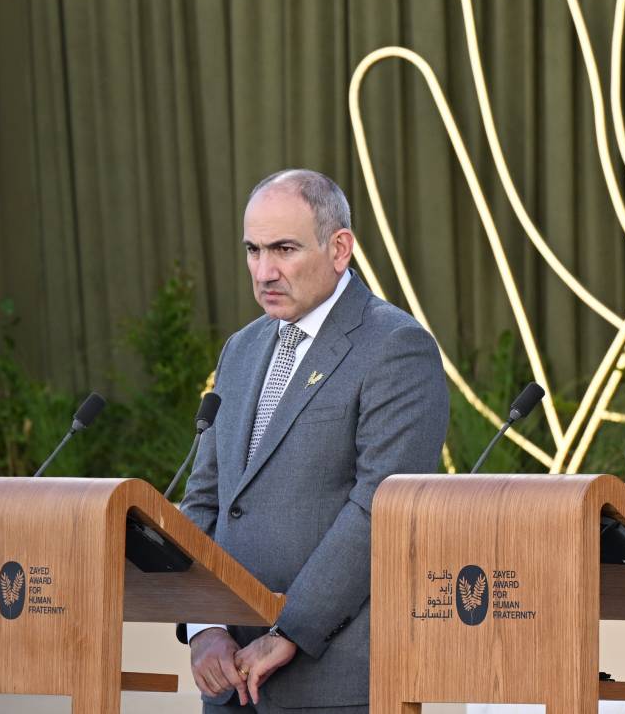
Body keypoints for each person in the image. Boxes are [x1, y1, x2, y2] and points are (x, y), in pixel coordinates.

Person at [179, 169, 449, 714]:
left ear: (339, 248)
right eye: (253, 250)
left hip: (332, 683)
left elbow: (380, 508)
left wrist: (289, 631)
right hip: (229, 684)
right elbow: (206, 499)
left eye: (284, 249)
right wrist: (203, 626)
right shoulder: (241, 349)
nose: (264, 271)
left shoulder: (396, 346)